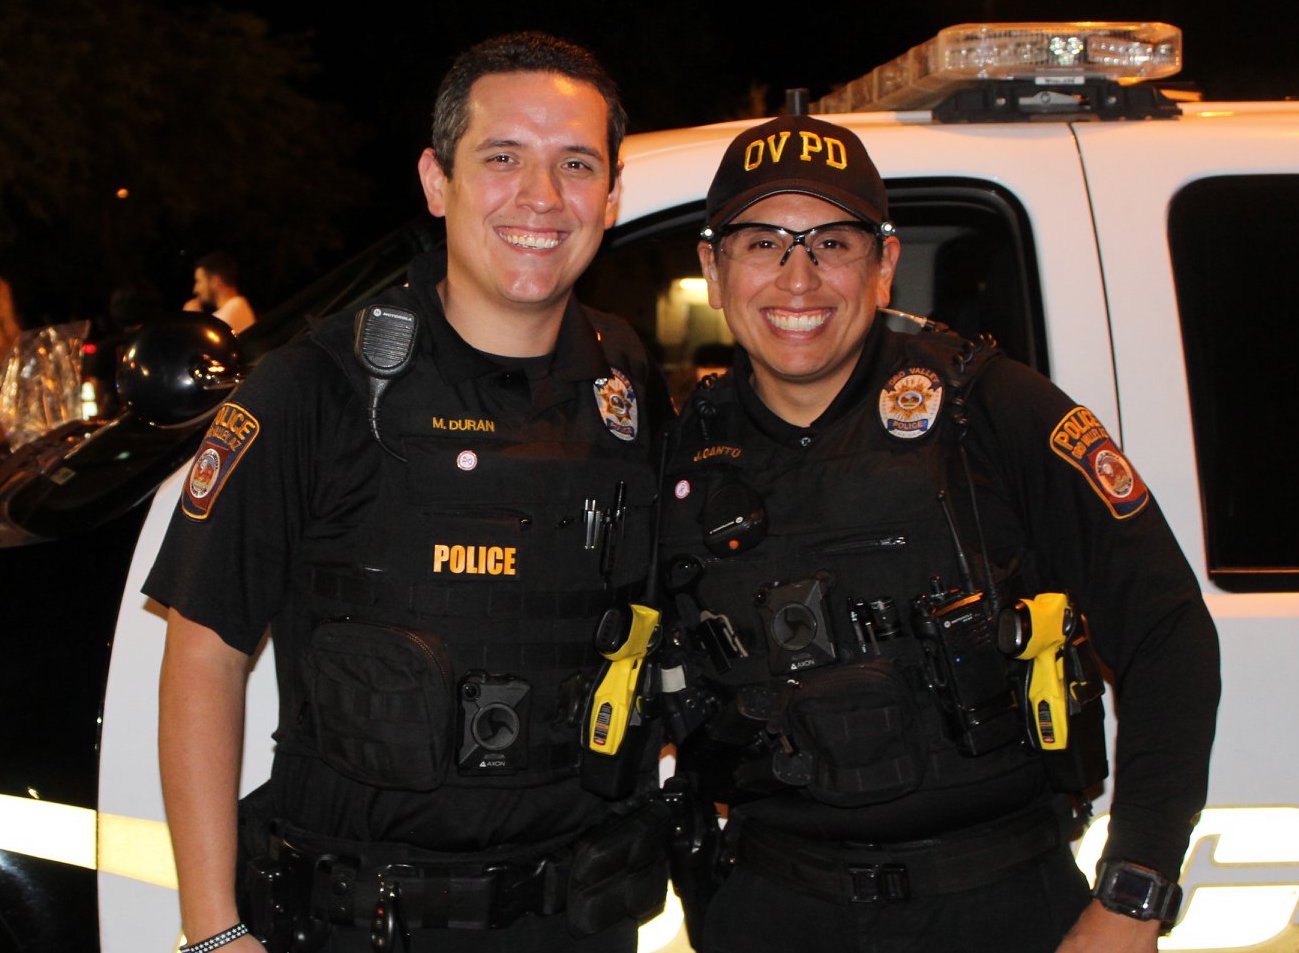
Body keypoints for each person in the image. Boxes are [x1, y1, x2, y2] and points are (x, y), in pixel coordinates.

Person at [146, 32, 670, 953]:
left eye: (575, 164)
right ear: (437, 181)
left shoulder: (624, 376)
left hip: (575, 920)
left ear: (613, 195)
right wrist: (211, 932)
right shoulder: (315, 387)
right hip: (358, 923)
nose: (541, 198)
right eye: (502, 157)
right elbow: (204, 653)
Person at [659, 114, 1219, 953]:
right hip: (772, 909)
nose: (798, 278)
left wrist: (1132, 896)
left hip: (1002, 906)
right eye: (763, 242)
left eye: (832, 243)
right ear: (713, 264)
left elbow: (1169, 631)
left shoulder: (991, 410)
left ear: (883, 263)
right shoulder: (675, 455)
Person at [185, 251, 256, 333]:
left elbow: (202, 342)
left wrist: (193, 319)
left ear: (215, 281)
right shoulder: (238, 306)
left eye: (199, 281)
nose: (195, 289)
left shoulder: (232, 310)